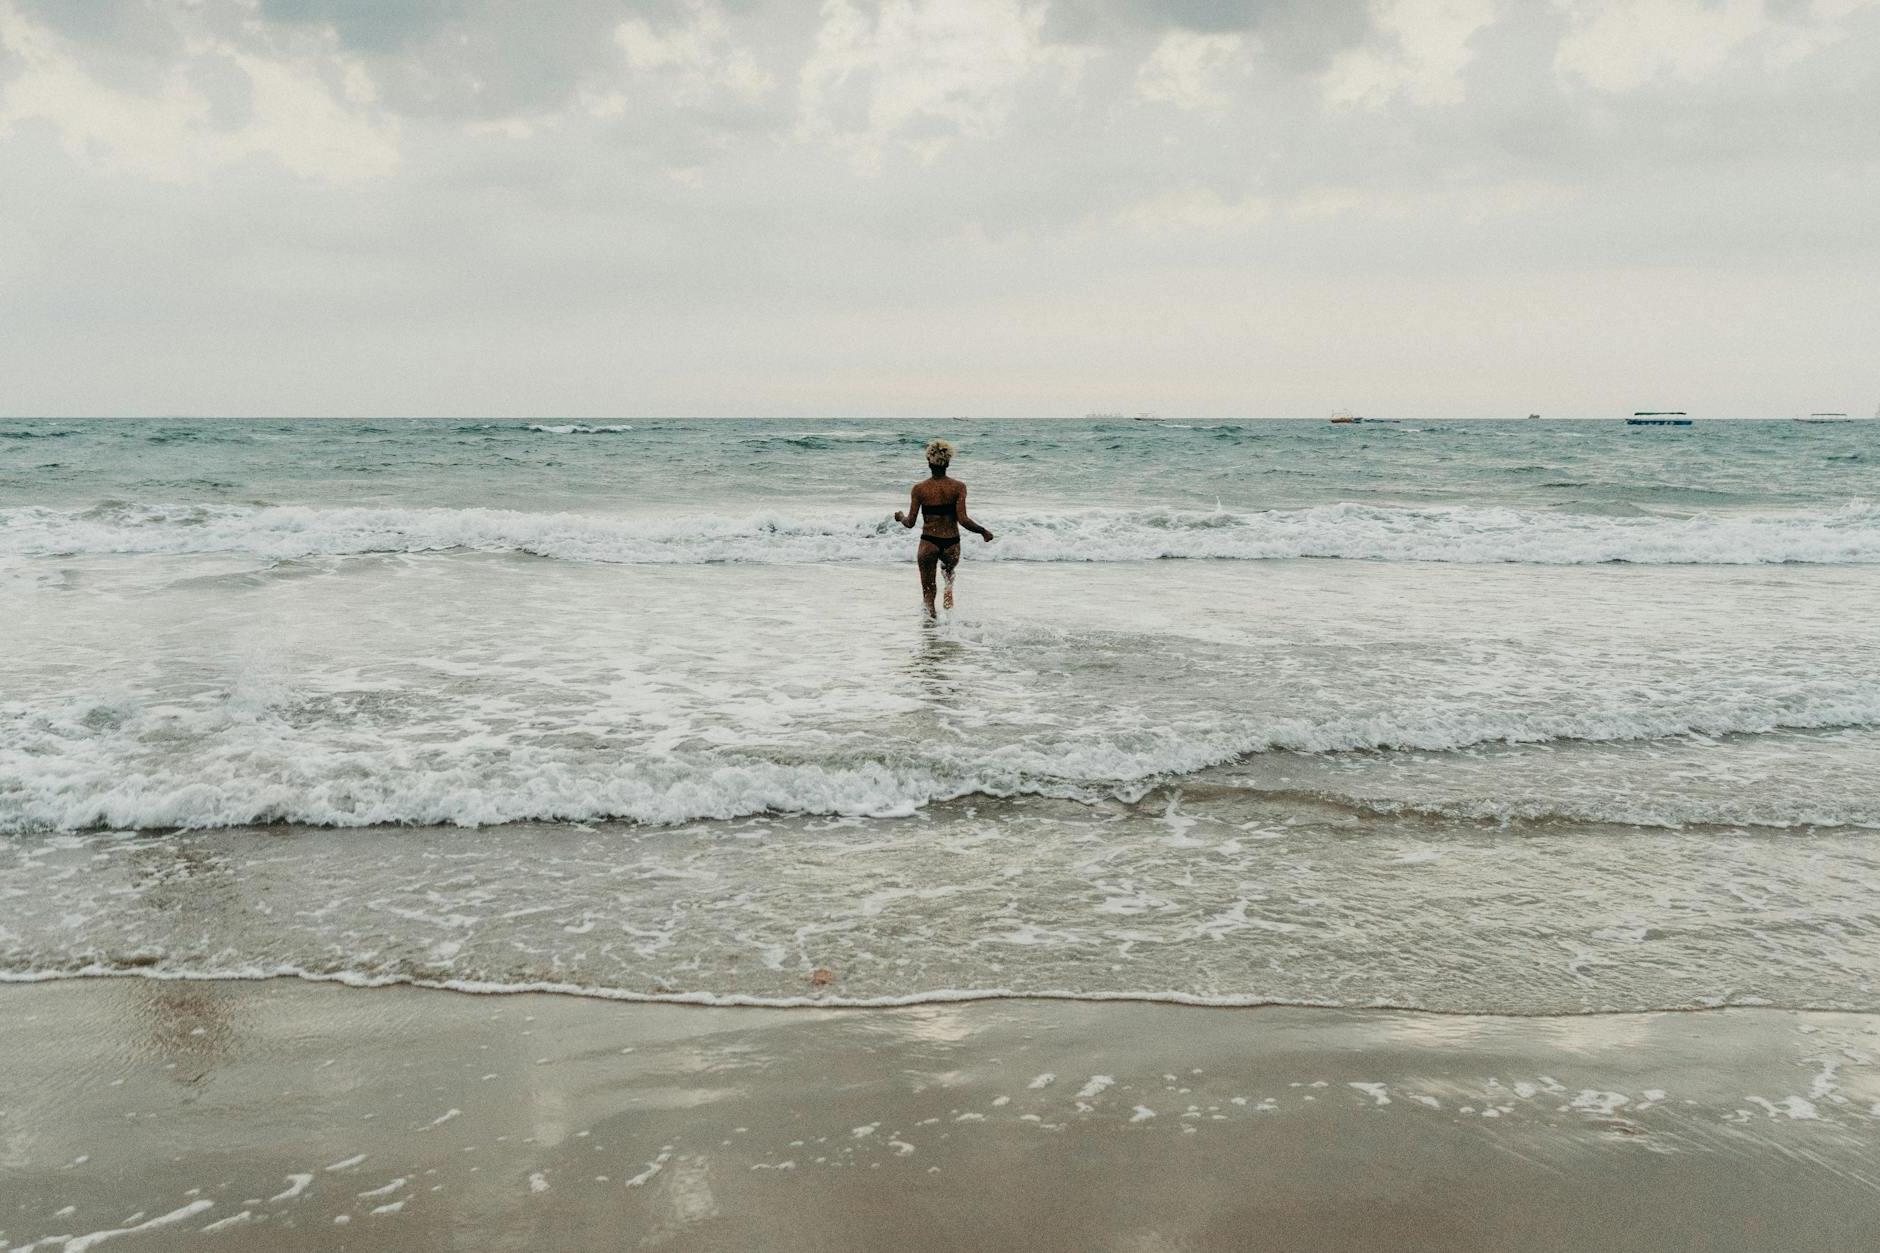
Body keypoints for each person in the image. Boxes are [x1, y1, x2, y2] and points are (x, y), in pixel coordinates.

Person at [893, 439, 993, 617]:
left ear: (928, 462)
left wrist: (900, 517)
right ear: (948, 462)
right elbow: (963, 520)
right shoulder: (958, 487)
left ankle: (932, 633)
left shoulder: (919, 489)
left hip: (928, 543)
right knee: (948, 578)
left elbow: (910, 523)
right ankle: (950, 625)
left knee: (928, 593)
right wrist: (983, 531)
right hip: (951, 543)